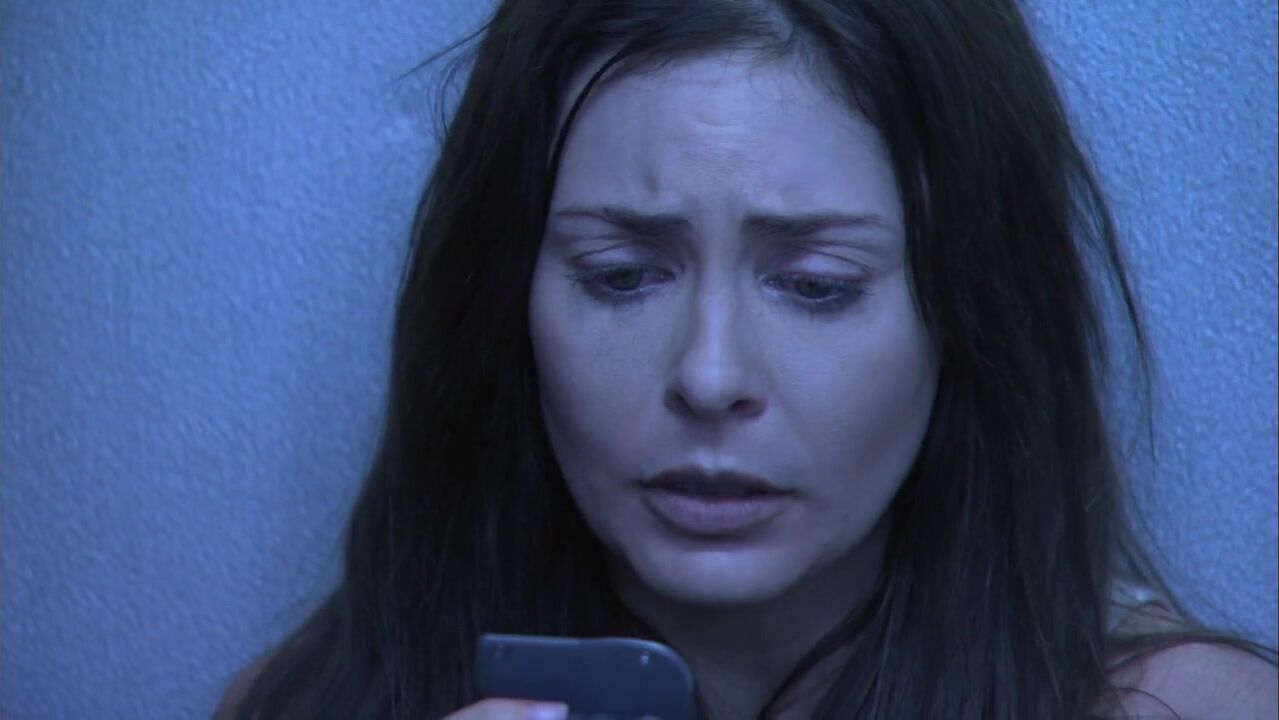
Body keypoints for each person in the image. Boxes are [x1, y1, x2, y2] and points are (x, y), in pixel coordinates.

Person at [215, 1, 1278, 718]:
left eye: (814, 284)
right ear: (504, 301)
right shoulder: (305, 704)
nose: (710, 375)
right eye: (621, 276)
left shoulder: (1186, 709)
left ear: (970, 312)